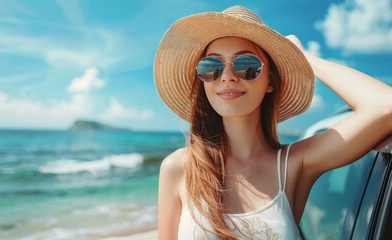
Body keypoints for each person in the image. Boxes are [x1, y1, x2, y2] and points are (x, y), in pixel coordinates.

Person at [154, 5, 392, 239]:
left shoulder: (293, 165)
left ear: (270, 81)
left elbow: (386, 106)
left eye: (246, 66)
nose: (227, 76)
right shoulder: (178, 168)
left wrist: (306, 59)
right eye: (211, 66)